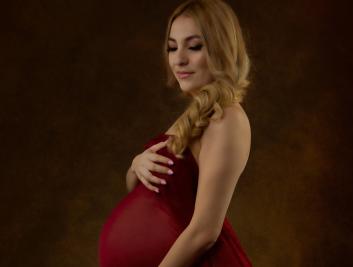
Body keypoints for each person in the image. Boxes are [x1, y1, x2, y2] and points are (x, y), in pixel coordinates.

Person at [98, 0, 252, 266]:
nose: (179, 59)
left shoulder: (227, 118)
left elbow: (205, 231)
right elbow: (159, 195)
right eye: (172, 47)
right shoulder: (198, 115)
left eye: (193, 47)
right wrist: (135, 167)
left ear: (221, 48)